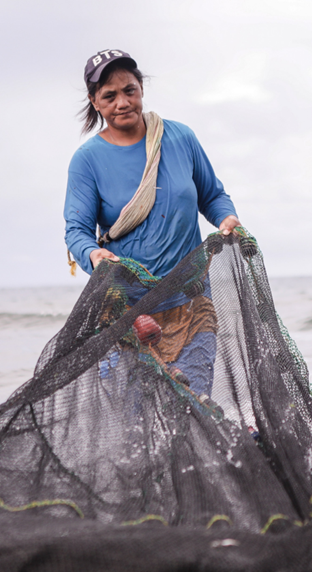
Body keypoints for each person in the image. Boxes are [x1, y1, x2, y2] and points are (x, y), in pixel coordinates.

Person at [65, 49, 241, 395]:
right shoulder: (87, 161)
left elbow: (212, 196)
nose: (122, 102)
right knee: (137, 415)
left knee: (194, 400)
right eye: (109, 96)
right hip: (128, 312)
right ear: (95, 102)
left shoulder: (180, 138)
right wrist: (92, 254)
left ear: (141, 88)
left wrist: (227, 218)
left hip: (191, 302)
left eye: (129, 90)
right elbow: (77, 230)